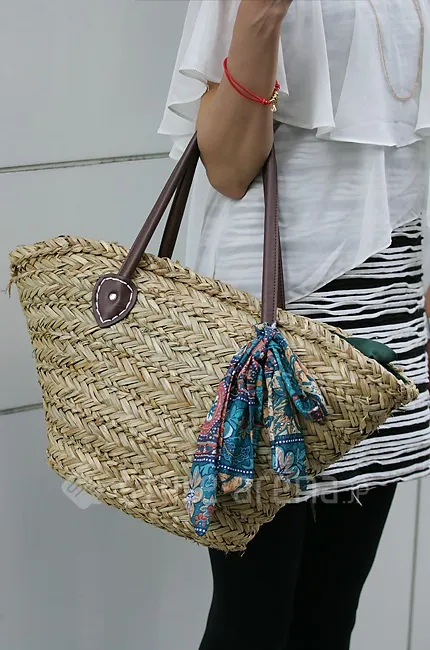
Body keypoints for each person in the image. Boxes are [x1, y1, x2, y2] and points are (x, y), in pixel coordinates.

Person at [157, 1, 430, 648]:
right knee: (253, 618)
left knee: (331, 611)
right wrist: (261, 18)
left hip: (387, 308)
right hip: (271, 321)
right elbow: (227, 169)